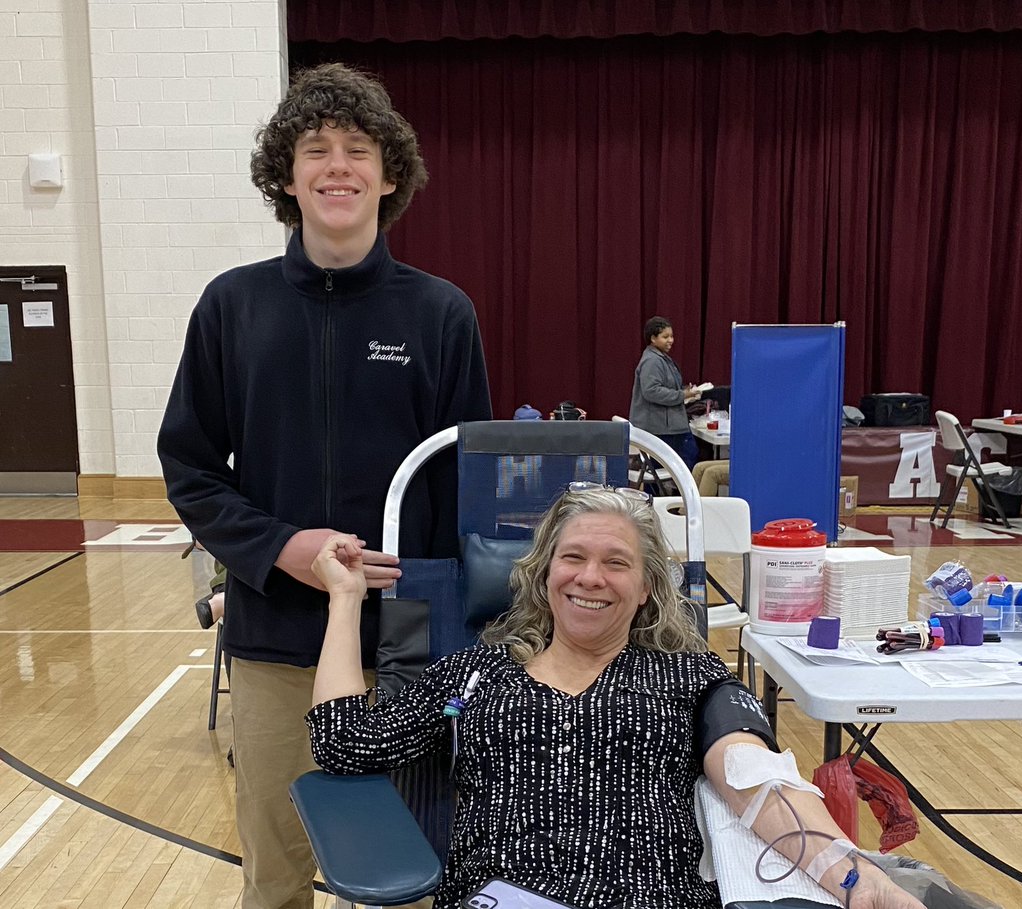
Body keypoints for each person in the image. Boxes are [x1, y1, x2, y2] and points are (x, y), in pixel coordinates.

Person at [157, 62, 492, 909]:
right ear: (286, 175)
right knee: (274, 873)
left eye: (357, 149)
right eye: (316, 149)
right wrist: (282, 548)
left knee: (410, 872)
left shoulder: (441, 313)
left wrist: (457, 633)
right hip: (277, 644)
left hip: (411, 650)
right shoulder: (231, 308)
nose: (337, 165)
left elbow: (468, 493)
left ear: (389, 176)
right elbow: (190, 467)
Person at [305, 487, 923, 909]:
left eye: (617, 563)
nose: (590, 578)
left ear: (650, 587)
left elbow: (756, 779)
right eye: (572, 557)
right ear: (544, 573)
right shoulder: (476, 675)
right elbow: (342, 739)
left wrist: (850, 872)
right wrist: (345, 598)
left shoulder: (687, 677)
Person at [629, 315, 700, 471]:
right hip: (661, 428)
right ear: (653, 338)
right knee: (689, 458)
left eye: (672, 336)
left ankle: (663, 494)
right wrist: (682, 395)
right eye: (665, 337)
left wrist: (684, 391)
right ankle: (680, 494)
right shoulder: (652, 361)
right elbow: (651, 391)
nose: (671, 340)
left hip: (664, 426)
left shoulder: (661, 358)